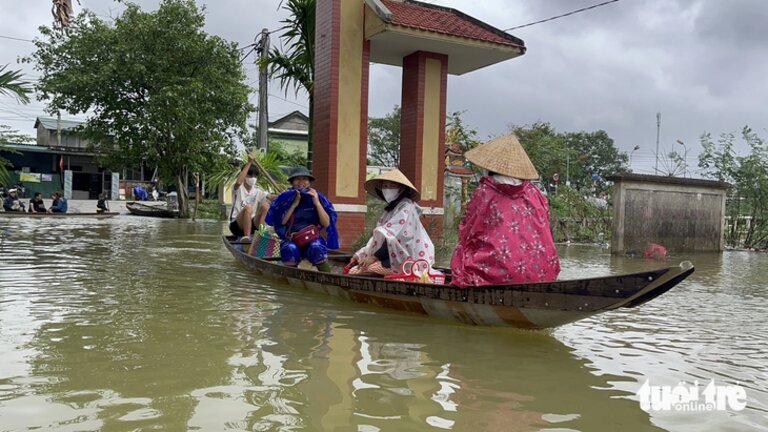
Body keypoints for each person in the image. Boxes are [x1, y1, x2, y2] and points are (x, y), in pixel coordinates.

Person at [450, 134, 560, 287]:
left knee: (462, 254)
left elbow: (467, 232)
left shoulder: (484, 193)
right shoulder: (536, 194)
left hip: (496, 275)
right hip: (544, 272)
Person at [347, 169, 435, 276]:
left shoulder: (406, 207)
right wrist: (360, 254)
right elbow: (378, 239)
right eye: (384, 186)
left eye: (391, 186)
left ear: (401, 188)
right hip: (391, 256)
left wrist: (374, 257)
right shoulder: (391, 209)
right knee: (356, 269)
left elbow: (394, 236)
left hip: (405, 260)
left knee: (358, 271)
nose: (386, 189)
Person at [265, 166, 339, 272]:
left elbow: (326, 223)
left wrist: (317, 202)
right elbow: (282, 222)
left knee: (317, 248)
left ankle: (329, 277)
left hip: (312, 239)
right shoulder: (286, 198)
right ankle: (292, 277)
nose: (301, 182)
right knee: (290, 249)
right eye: (297, 179)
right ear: (292, 182)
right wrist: (294, 204)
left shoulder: (318, 198)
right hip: (292, 239)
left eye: (304, 179)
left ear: (309, 182)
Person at [229, 150, 273, 241]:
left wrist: (285, 195)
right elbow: (238, 182)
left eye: (255, 176)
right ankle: (247, 238)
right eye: (249, 175)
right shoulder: (237, 188)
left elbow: (270, 197)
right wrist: (249, 163)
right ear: (244, 175)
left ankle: (261, 234)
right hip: (237, 225)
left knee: (265, 206)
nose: (253, 178)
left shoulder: (258, 190)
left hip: (252, 224)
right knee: (248, 208)